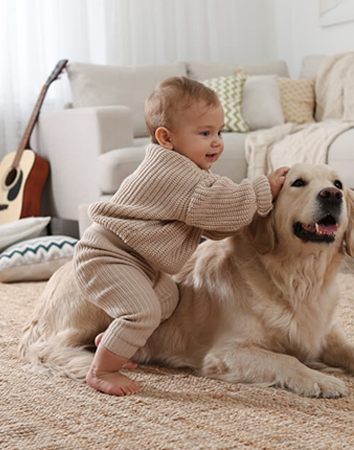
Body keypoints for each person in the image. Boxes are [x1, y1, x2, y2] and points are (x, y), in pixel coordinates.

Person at [73, 76, 289, 396]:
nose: (216, 142)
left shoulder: (187, 171)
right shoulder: (173, 174)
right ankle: (102, 369)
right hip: (107, 255)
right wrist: (263, 189)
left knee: (169, 298)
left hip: (135, 260)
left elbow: (214, 223)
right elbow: (218, 205)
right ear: (166, 138)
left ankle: (115, 339)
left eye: (219, 132)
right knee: (142, 311)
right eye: (204, 133)